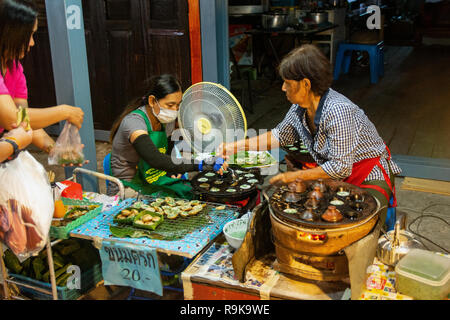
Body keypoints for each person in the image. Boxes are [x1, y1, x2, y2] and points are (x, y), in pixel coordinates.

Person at [217, 44, 401, 224]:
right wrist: (233, 147)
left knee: (365, 224)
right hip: (338, 177)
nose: (282, 88)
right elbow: (279, 135)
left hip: (367, 174)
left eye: (287, 83)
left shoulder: (338, 111)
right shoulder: (299, 108)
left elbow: (341, 167)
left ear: (305, 84)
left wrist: (294, 176)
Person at [109, 74, 227, 199]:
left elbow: (167, 149)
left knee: (192, 194)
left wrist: (172, 170)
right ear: (152, 101)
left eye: (178, 105)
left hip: (154, 178)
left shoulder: (165, 120)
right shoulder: (134, 123)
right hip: (128, 186)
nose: (175, 110)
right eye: (170, 105)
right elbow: (155, 159)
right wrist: (200, 163)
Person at [0, 0, 85, 161]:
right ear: (9, 32)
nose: (32, 43)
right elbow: (12, 118)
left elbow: (23, 121)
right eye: (28, 35)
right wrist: (64, 111)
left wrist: (56, 150)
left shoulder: (14, 67)